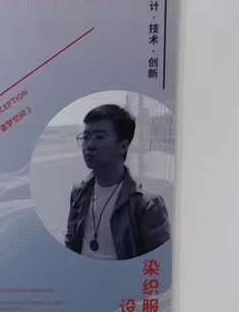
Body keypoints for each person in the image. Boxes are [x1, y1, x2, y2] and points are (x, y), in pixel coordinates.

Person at [64, 103, 171, 258]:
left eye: (100, 137)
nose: (89, 145)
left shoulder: (146, 204)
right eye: (86, 137)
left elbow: (158, 260)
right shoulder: (79, 192)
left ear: (123, 146)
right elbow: (71, 242)